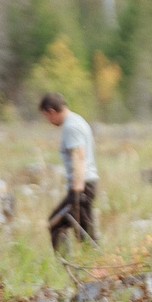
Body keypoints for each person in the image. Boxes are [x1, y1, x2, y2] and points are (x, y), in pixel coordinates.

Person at [37, 91, 98, 254]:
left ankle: (69, 265)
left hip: (82, 186)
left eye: (46, 116)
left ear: (51, 111)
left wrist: (76, 191)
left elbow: (79, 156)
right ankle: (84, 264)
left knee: (57, 224)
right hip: (85, 185)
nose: (48, 121)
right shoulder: (76, 120)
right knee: (84, 234)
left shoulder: (71, 127)